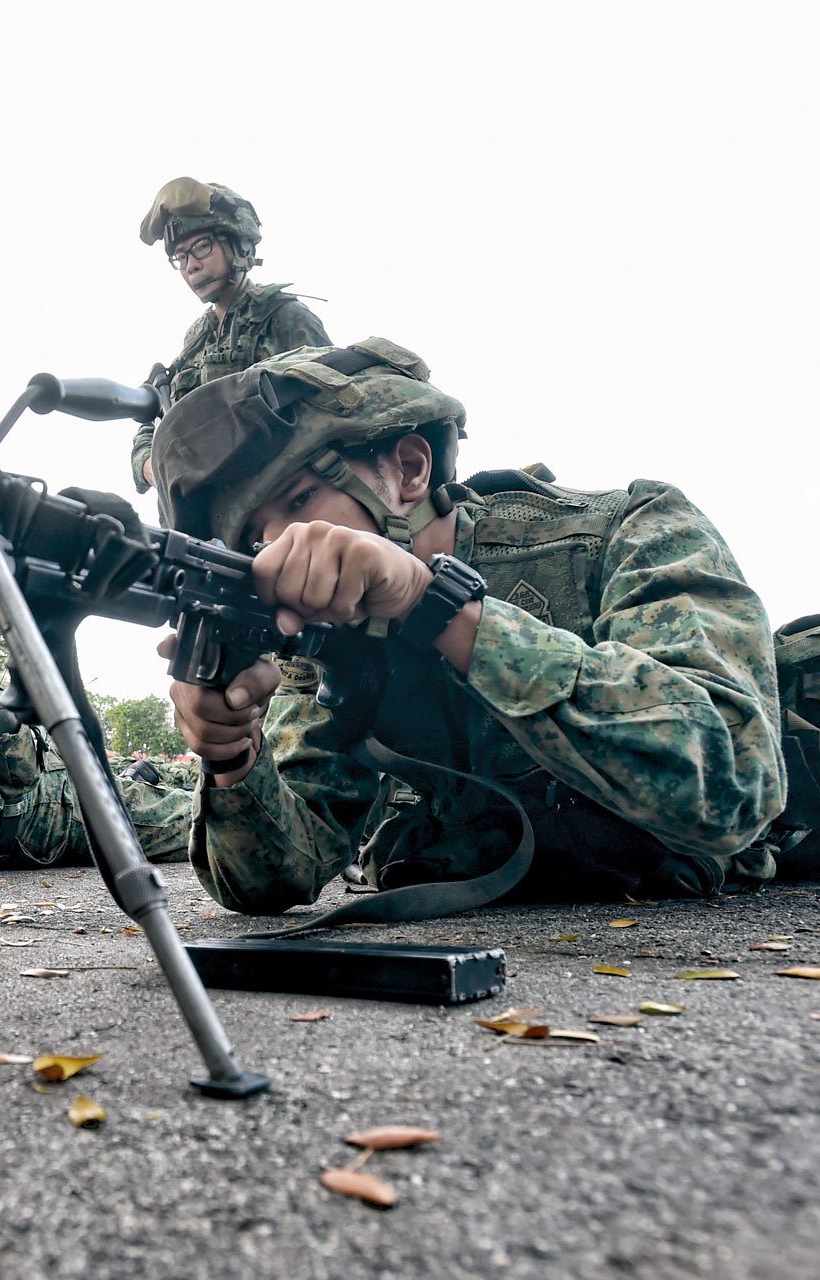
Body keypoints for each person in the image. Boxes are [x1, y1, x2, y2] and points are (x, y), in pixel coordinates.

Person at [150, 339, 786, 913]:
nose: (279, 545)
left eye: (298, 500)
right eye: (255, 538)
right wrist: (233, 756)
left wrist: (433, 606)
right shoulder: (331, 640)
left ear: (409, 468)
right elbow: (274, 878)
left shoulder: (635, 529)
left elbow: (733, 785)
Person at [128, 178, 332, 493]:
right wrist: (149, 465)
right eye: (180, 257)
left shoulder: (283, 317)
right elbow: (157, 421)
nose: (191, 266)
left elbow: (332, 411)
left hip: (282, 500)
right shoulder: (197, 341)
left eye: (201, 247)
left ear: (239, 245)